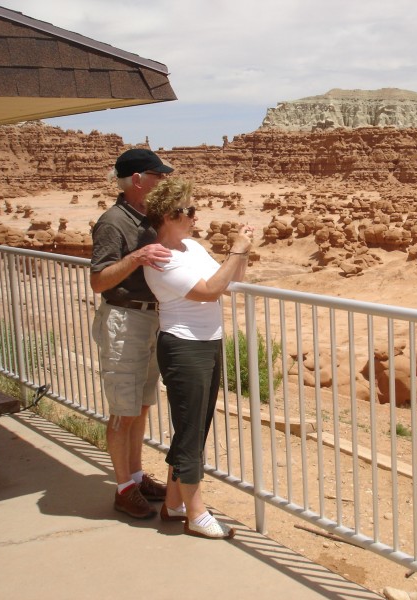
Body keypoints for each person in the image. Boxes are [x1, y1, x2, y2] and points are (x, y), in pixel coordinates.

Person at [142, 177, 254, 539]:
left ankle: (174, 503)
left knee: (196, 427)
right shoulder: (161, 257)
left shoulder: (191, 247)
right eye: (189, 210)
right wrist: (235, 250)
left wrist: (244, 250)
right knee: (190, 430)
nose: (195, 215)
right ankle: (196, 513)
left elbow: (229, 280)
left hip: (208, 342)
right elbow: (207, 292)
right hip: (183, 346)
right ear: (171, 215)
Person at [90, 148, 174, 519]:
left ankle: (137, 476)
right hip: (124, 321)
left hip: (149, 320)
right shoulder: (112, 222)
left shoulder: (149, 218)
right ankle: (123, 488)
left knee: (140, 404)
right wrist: (136, 259)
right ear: (137, 180)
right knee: (123, 410)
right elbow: (98, 281)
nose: (162, 181)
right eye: (157, 176)